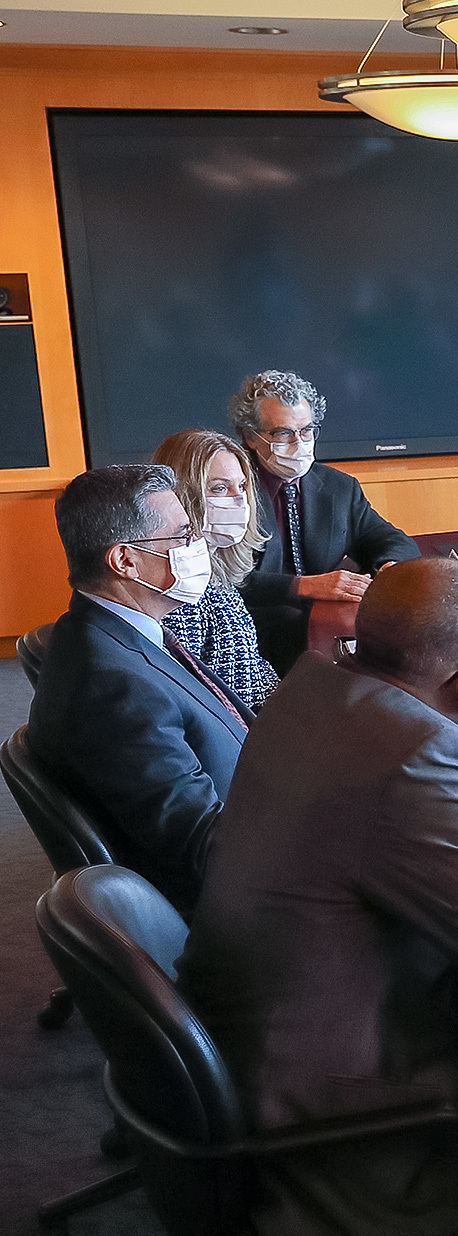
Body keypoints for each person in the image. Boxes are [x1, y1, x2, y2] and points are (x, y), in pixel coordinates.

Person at [178, 558, 458, 1236]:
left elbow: (376, 848)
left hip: (263, 1046)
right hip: (362, 1121)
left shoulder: (312, 688)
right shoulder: (421, 755)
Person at [28, 464, 248, 915]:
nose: (198, 547)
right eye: (183, 537)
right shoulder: (109, 686)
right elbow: (206, 849)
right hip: (242, 908)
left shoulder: (116, 631)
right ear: (125, 560)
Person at [231, 370, 420, 674]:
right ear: (251, 437)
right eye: (283, 433)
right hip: (254, 634)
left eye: (307, 430)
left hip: (326, 627)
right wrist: (305, 586)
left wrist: (389, 569)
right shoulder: (230, 489)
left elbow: (391, 540)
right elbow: (227, 581)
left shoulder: (338, 487)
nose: (299, 442)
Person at [152, 429, 279, 710]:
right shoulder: (177, 587)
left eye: (242, 486)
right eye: (219, 488)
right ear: (182, 495)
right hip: (236, 741)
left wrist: (297, 704)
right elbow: (191, 697)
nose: (238, 499)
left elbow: (250, 668)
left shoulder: (216, 573)